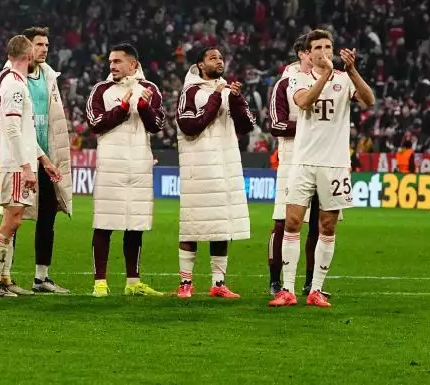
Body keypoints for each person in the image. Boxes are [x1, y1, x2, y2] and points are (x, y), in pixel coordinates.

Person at [270, 29, 376, 308]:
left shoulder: (344, 79)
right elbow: (304, 102)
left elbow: (369, 100)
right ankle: (287, 289)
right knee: (292, 223)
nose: (324, 51)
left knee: (327, 227)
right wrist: (327, 75)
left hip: (336, 163)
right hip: (303, 161)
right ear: (308, 52)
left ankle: (317, 289)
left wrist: (352, 71)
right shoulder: (296, 78)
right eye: (318, 47)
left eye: (328, 46)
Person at [0, 35, 62, 297]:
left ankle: (3, 278)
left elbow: (25, 131)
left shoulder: (11, 81)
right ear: (27, 58)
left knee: (14, 221)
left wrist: (44, 161)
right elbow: (14, 130)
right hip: (16, 165)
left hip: (19, 161)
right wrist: (27, 168)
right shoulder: (15, 86)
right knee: (11, 221)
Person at [85, 43, 165, 297]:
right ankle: (100, 282)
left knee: (136, 224)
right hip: (111, 162)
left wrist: (143, 107)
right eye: (110, 62)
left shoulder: (150, 89)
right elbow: (95, 124)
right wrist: (122, 109)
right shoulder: (101, 90)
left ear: (133, 64)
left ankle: (133, 282)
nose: (112, 66)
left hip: (139, 163)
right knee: (104, 223)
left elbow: (157, 125)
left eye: (117, 61)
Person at [174, 47, 254, 299]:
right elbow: (189, 125)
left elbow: (247, 126)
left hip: (225, 165)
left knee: (221, 224)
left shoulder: (227, 91)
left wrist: (237, 99)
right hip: (198, 166)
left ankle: (218, 283)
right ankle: (185, 283)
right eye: (213, 58)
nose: (219, 61)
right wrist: (217, 97)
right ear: (200, 64)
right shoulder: (191, 92)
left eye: (220, 57)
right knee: (192, 225)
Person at [267, 36, 326, 297]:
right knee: (284, 223)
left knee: (318, 225)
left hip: (323, 158)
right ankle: (274, 280)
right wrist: (308, 127)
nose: (321, 54)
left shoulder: (329, 80)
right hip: (291, 159)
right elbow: (276, 125)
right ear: (303, 54)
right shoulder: (284, 84)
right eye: (315, 50)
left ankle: (311, 282)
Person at [22, 26, 74, 294]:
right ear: (26, 46)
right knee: (14, 216)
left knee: (47, 217)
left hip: (47, 157)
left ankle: (41, 277)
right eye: (39, 44)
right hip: (23, 158)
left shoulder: (49, 77)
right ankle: (1, 276)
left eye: (46, 45)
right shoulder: (14, 78)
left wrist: (53, 157)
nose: (44, 49)